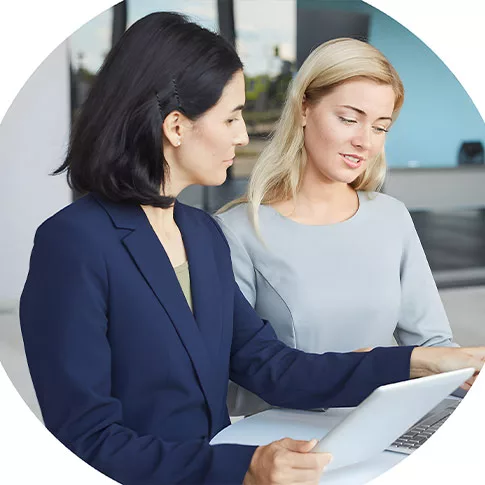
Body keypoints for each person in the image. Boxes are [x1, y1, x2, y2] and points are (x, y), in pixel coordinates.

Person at [19, 14, 484, 485]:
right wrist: (242, 467)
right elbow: (85, 439)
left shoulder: (200, 234)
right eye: (231, 117)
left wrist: (416, 361)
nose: (243, 136)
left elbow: (270, 365)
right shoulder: (74, 243)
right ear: (176, 127)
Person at [215, 38, 460, 417]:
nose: (364, 142)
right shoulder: (238, 232)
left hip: (381, 431)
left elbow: (434, 345)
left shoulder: (391, 217)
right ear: (303, 109)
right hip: (280, 445)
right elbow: (241, 367)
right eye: (349, 119)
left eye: (380, 127)